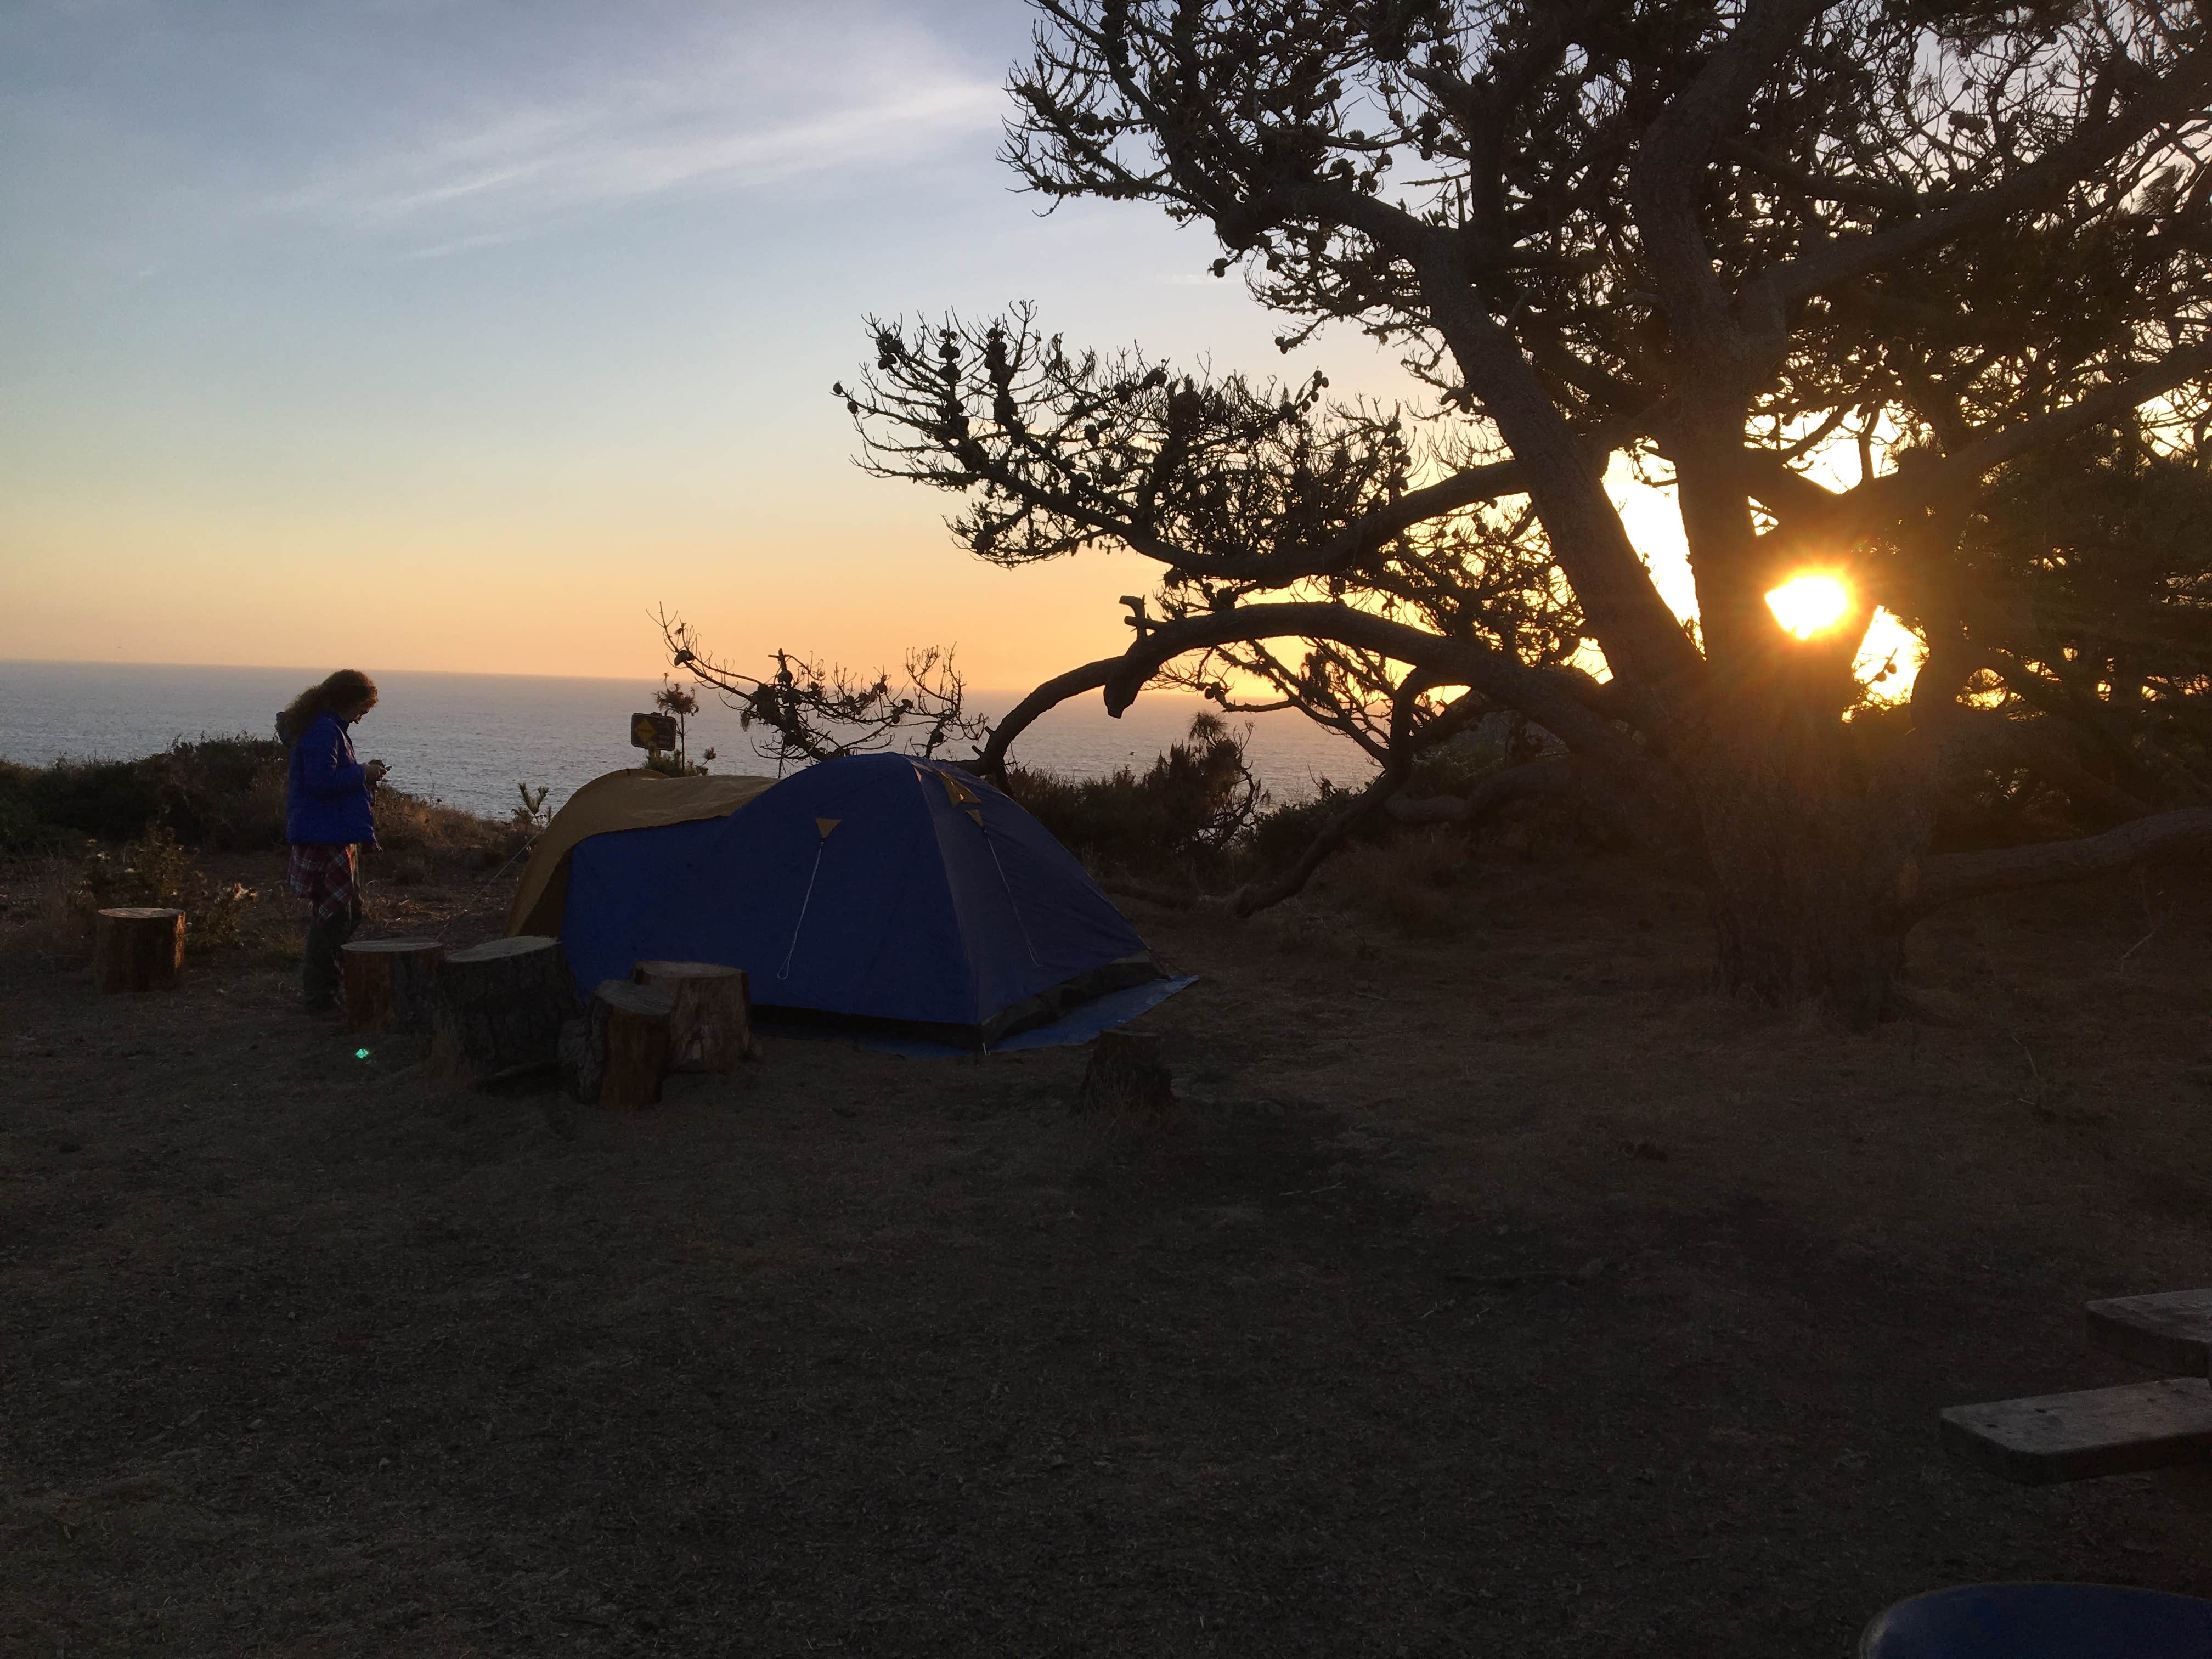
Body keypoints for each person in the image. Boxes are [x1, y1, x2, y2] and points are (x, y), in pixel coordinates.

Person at [277, 670, 389, 1014]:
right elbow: (321, 781)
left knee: (345, 913)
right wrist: (363, 773)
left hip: (333, 832)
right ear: (351, 701)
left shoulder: (327, 728)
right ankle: (320, 996)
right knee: (334, 916)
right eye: (363, 708)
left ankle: (327, 988)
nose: (363, 716)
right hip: (324, 834)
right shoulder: (324, 731)